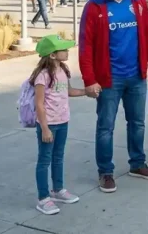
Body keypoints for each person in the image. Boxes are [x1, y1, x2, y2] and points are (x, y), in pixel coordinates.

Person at [78, 0, 148, 191]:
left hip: (136, 76)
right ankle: (105, 171)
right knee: (105, 126)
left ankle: (138, 163)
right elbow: (85, 46)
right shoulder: (93, 6)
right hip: (108, 79)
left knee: (137, 123)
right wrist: (89, 79)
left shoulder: (138, 2)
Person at [30, 35, 86, 215]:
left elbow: (68, 91)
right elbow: (39, 104)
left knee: (59, 156)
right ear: (52, 55)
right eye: (63, 49)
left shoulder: (63, 70)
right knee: (44, 160)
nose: (67, 51)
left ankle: (58, 189)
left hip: (63, 121)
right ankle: (43, 198)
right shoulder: (42, 76)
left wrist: (86, 92)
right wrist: (45, 128)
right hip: (49, 124)